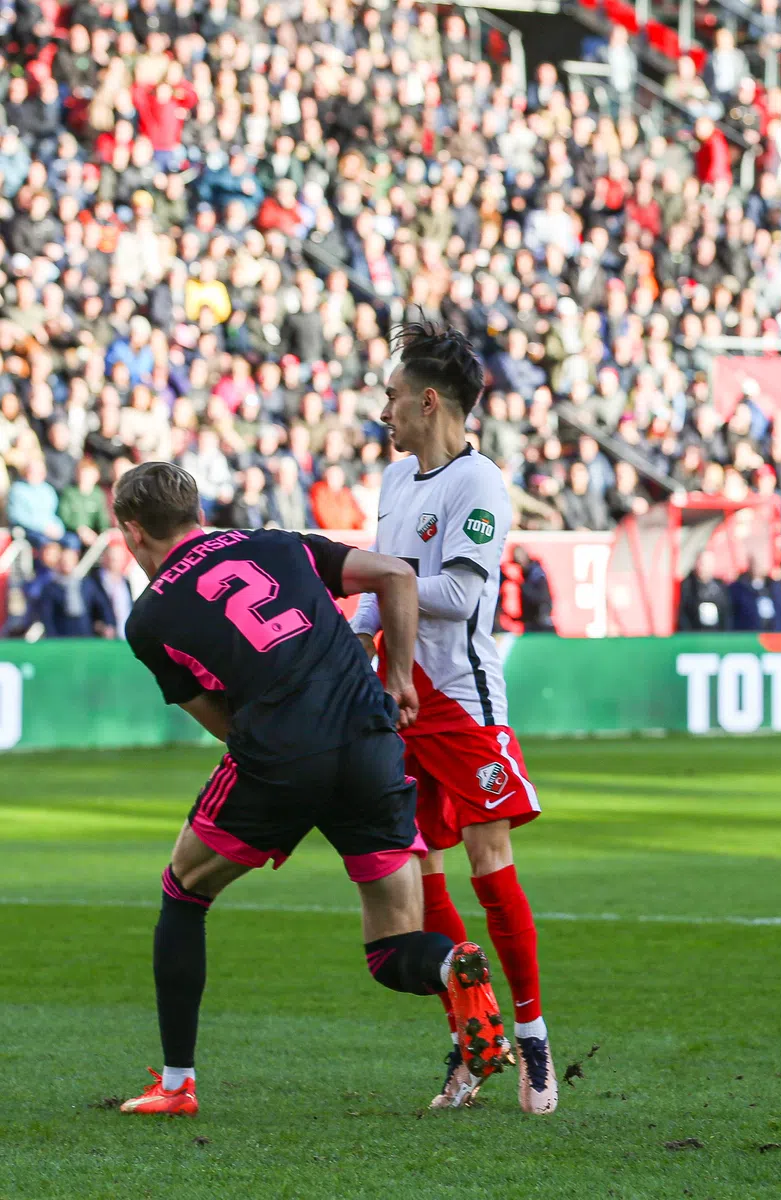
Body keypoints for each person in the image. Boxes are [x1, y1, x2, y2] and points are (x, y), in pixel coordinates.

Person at [108, 461, 508, 1115]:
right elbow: (396, 575)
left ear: (130, 531)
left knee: (182, 892)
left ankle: (177, 1086)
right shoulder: (274, 542)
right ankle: (449, 965)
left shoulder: (148, 620)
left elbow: (221, 723)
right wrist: (399, 675)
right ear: (198, 513)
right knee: (392, 949)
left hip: (281, 756)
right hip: (373, 739)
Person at [352, 323, 557, 1114]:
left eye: (393, 398)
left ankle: (534, 1038)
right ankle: (473, 1040)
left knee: (487, 858)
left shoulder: (481, 484)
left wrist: (376, 577)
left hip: (461, 698)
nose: (385, 412)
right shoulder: (394, 483)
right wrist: (336, 620)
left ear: (428, 401)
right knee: (417, 871)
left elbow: (461, 596)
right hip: (394, 693)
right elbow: (376, 596)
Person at [83, 539, 136, 638]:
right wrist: (100, 627)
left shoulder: (126, 582)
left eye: (120, 559)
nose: (116, 563)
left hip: (126, 637)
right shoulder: (92, 581)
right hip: (102, 639)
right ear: (104, 558)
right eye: (113, 559)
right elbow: (87, 611)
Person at [729, 555, 781, 632]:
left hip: (774, 634)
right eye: (755, 563)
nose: (758, 566)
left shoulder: (774, 587)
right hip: (749, 634)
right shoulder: (739, 588)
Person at [677, 551, 732, 631]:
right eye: (702, 563)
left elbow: (726, 613)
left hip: (716, 634)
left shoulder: (720, 586)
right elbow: (683, 614)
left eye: (708, 564)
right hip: (695, 634)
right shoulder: (688, 585)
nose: (704, 567)